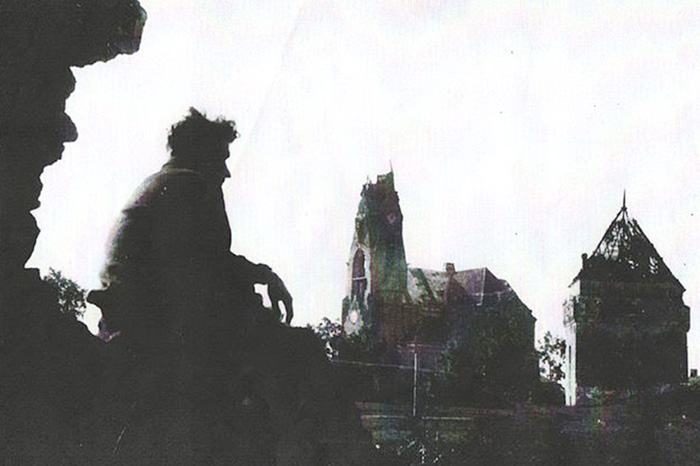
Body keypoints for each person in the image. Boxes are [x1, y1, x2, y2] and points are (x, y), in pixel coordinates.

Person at [88, 107, 293, 344]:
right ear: (201, 153)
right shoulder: (191, 184)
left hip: (123, 325)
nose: (226, 172)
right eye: (221, 159)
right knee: (299, 348)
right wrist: (265, 278)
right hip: (152, 333)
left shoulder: (157, 184)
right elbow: (214, 266)